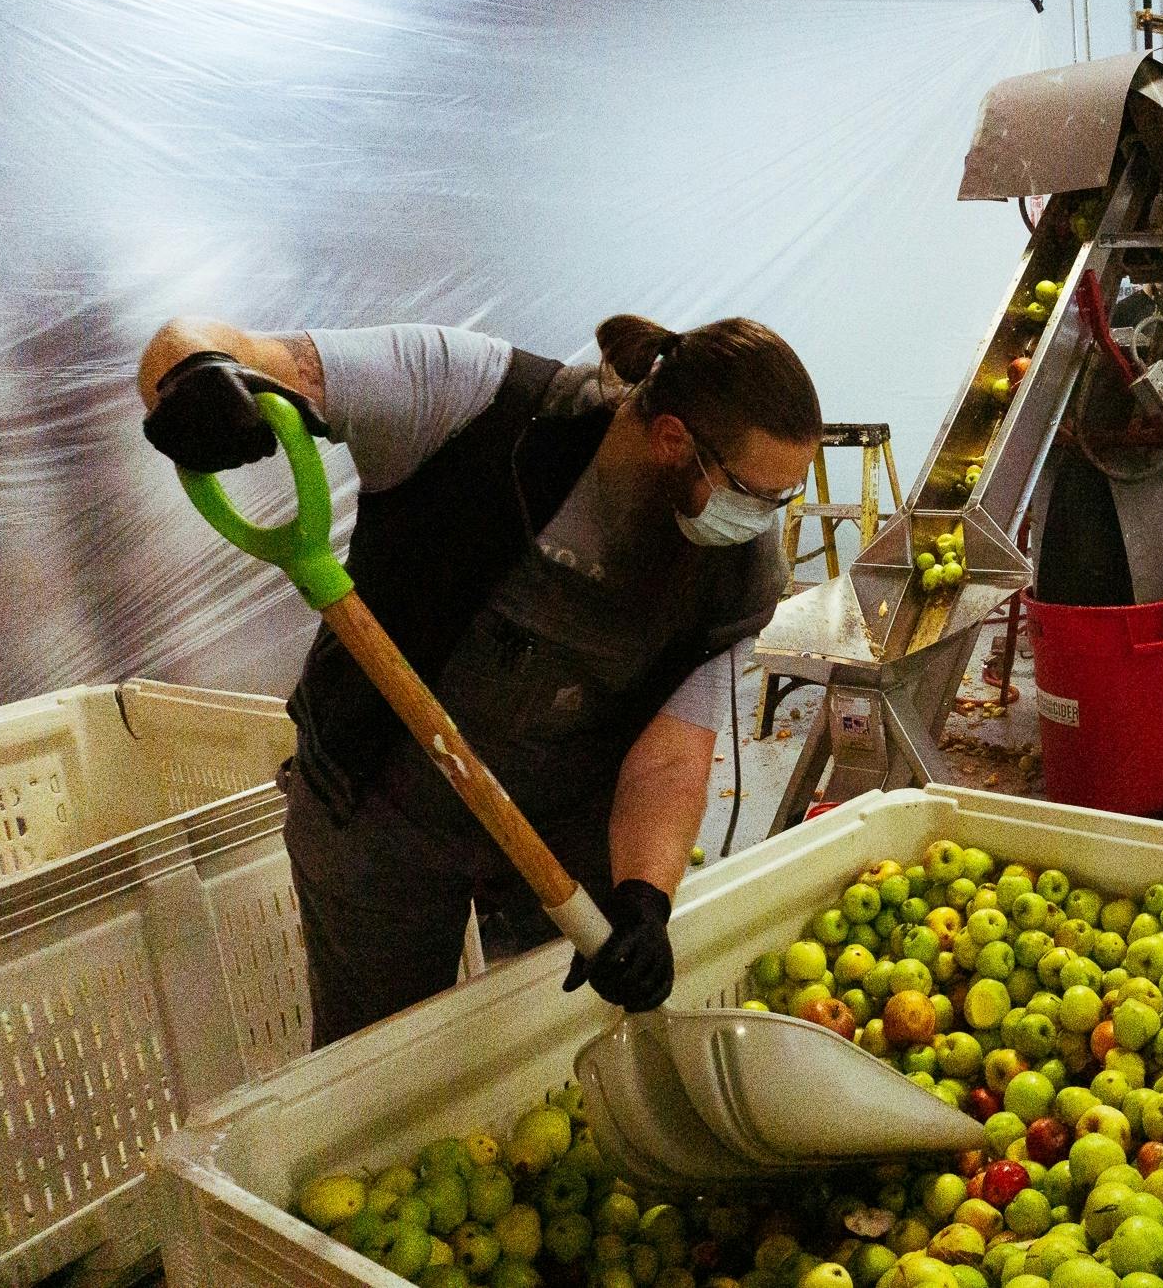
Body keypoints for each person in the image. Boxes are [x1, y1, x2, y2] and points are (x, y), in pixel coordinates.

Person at [137, 315, 822, 1044]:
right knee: (379, 1063)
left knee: (552, 1059)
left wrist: (644, 899)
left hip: (555, 831)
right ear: (673, 440)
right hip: (377, 809)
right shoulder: (476, 398)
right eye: (756, 493)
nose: (764, 520)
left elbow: (671, 755)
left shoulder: (736, 575)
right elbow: (197, 344)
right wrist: (193, 378)